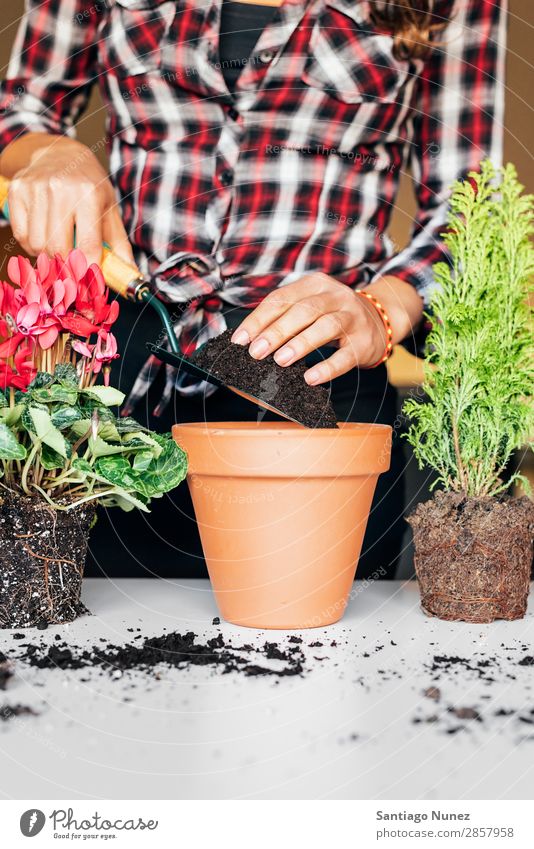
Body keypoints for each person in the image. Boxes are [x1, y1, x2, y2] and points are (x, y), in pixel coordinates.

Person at [0, 0, 505, 579]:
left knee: (327, 650)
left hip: (319, 374)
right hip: (124, 373)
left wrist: (381, 310)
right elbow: (20, 108)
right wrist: (49, 149)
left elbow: (475, 202)